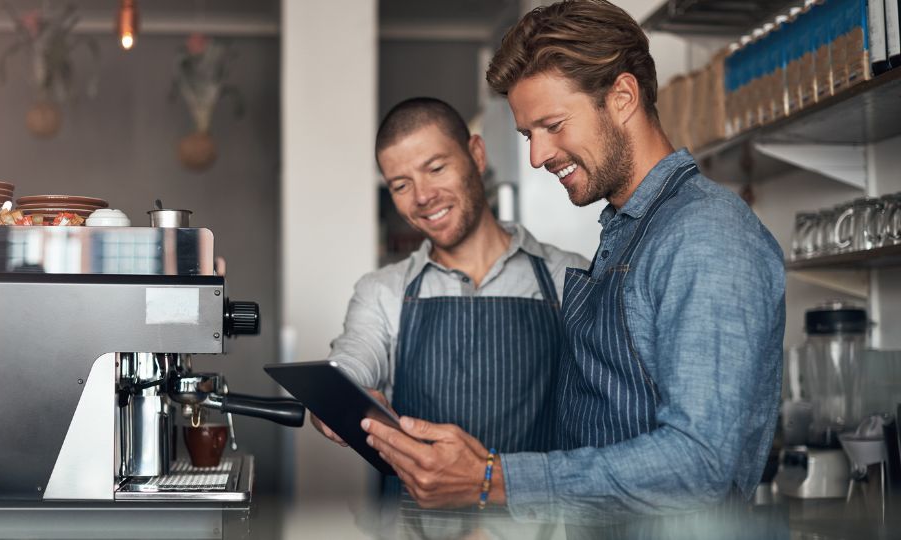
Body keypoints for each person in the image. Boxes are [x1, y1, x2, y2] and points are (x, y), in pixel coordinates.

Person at [361, 0, 786, 534]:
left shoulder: (705, 236)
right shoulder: (629, 232)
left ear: (623, 98)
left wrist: (495, 479)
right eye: (527, 135)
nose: (538, 156)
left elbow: (700, 465)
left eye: (553, 125)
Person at [317, 97, 588, 538]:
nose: (422, 197)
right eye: (400, 185)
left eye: (436, 168)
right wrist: (338, 396)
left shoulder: (567, 276)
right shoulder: (383, 291)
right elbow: (354, 355)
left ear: (476, 155)